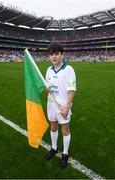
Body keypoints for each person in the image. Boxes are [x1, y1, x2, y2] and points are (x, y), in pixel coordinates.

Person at [45, 41, 76, 169]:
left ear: (62, 55)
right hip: (51, 104)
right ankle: (54, 148)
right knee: (53, 127)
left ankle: (65, 153)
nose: (54, 57)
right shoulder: (49, 70)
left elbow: (71, 90)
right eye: (51, 54)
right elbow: (48, 86)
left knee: (65, 130)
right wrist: (47, 89)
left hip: (63, 106)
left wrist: (67, 106)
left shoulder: (69, 70)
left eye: (57, 54)